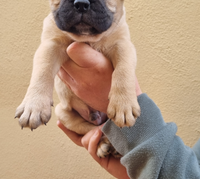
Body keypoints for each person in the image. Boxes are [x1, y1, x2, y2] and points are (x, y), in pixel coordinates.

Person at [57, 42, 200, 179]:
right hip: (85, 118)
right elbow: (193, 168)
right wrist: (140, 170)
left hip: (115, 117)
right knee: (60, 112)